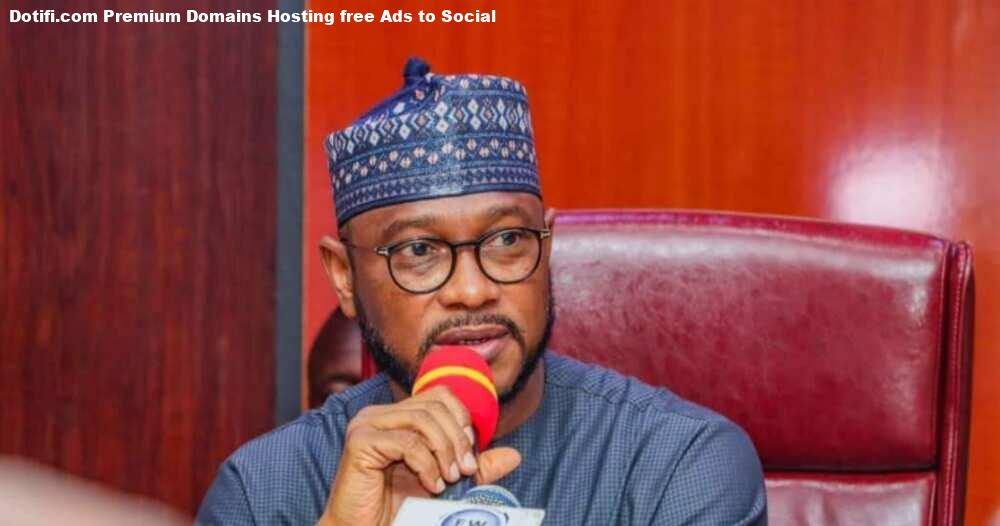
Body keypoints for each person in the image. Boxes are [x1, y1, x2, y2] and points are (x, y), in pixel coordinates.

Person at [196, 57, 767, 525]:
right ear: (345, 275)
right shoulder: (264, 490)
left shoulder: (681, 464)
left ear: (547, 245)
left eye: (507, 240)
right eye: (419, 250)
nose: (472, 291)